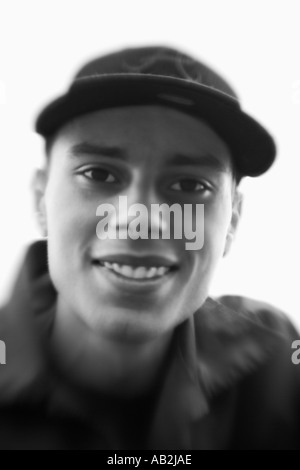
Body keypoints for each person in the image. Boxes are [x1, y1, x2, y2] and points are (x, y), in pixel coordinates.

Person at [0, 46, 299, 450]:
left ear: (231, 221)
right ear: (40, 200)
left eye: (191, 186)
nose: (140, 221)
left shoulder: (280, 360)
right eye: (99, 174)